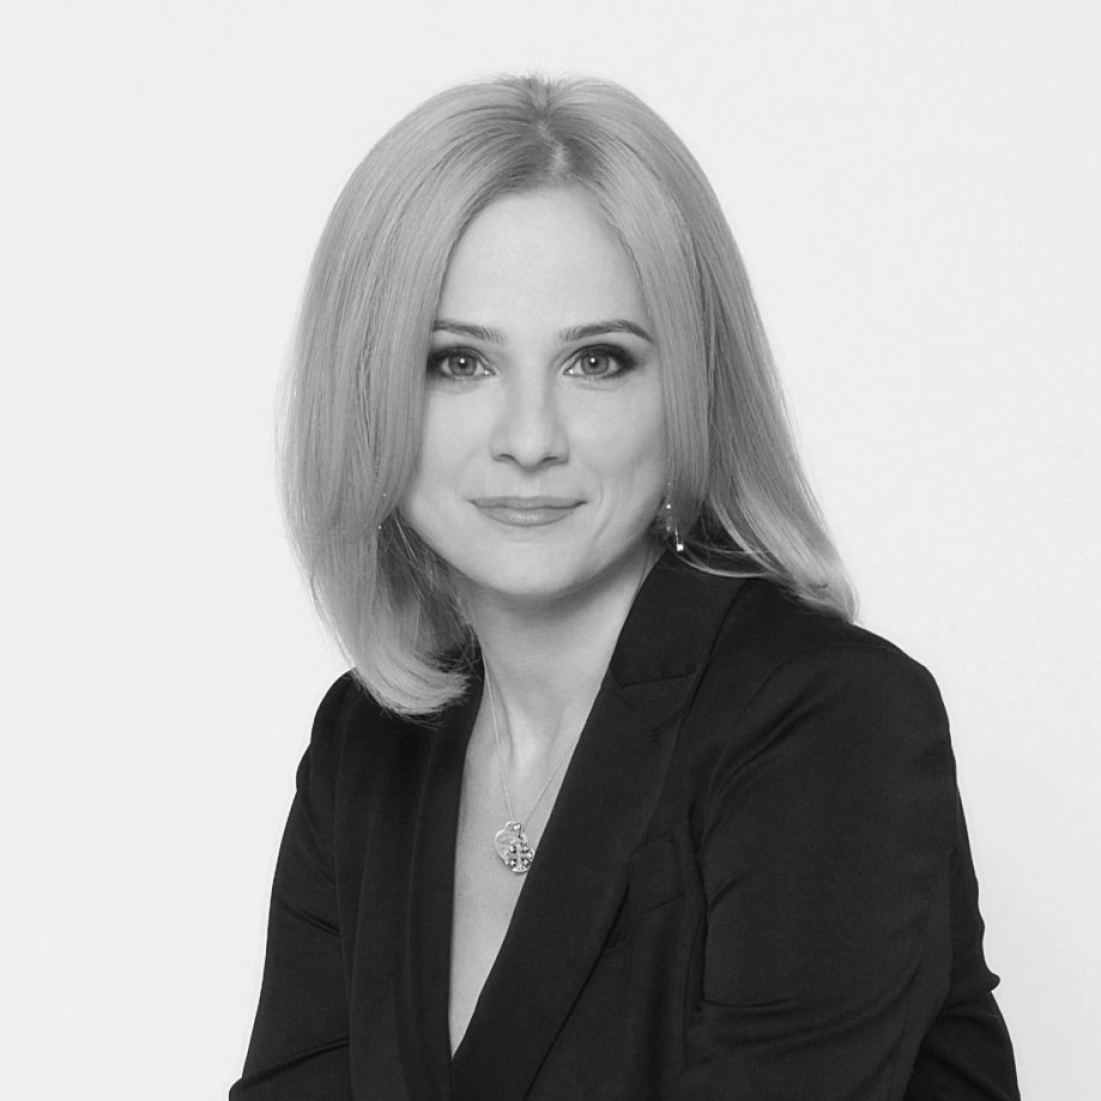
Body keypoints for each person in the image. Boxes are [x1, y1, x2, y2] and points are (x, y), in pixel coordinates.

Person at [230, 75, 1019, 1100]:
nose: (529, 439)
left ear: (690, 389)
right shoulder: (368, 742)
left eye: (597, 361)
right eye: (457, 362)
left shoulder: (827, 720)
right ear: (365, 389)